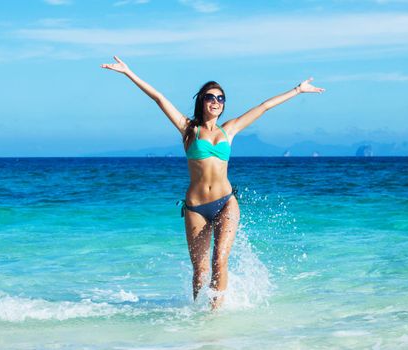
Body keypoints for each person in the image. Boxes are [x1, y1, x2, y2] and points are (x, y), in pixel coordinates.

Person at [101, 56, 325, 309]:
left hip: (226, 202)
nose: (216, 102)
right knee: (200, 270)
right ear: (201, 101)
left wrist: (298, 90)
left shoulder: (228, 130)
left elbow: (263, 107)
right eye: (211, 97)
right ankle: (198, 316)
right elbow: (159, 99)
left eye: (221, 98)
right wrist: (129, 72)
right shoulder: (189, 130)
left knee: (220, 260)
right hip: (196, 207)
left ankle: (214, 316)